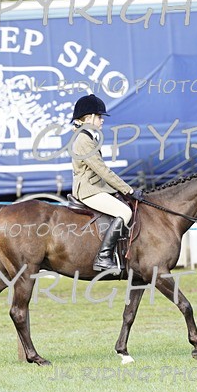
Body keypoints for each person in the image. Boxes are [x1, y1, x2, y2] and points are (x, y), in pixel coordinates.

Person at [70, 94, 144, 271]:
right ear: (89, 118)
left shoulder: (87, 137)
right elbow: (102, 170)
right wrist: (128, 190)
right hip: (88, 190)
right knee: (124, 211)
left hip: (96, 187)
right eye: (100, 117)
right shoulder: (83, 140)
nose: (102, 120)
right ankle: (103, 258)